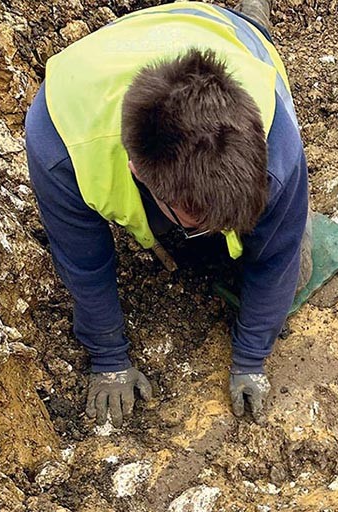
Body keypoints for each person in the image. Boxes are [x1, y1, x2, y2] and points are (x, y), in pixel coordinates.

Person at [25, 0, 311, 427]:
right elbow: (83, 262)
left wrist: (251, 358)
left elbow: (278, 256)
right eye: (199, 217)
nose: (215, 228)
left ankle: (251, 17)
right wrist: (109, 358)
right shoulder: (59, 145)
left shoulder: (279, 145)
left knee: (297, 268)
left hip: (226, 37)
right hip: (109, 56)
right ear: (137, 170)